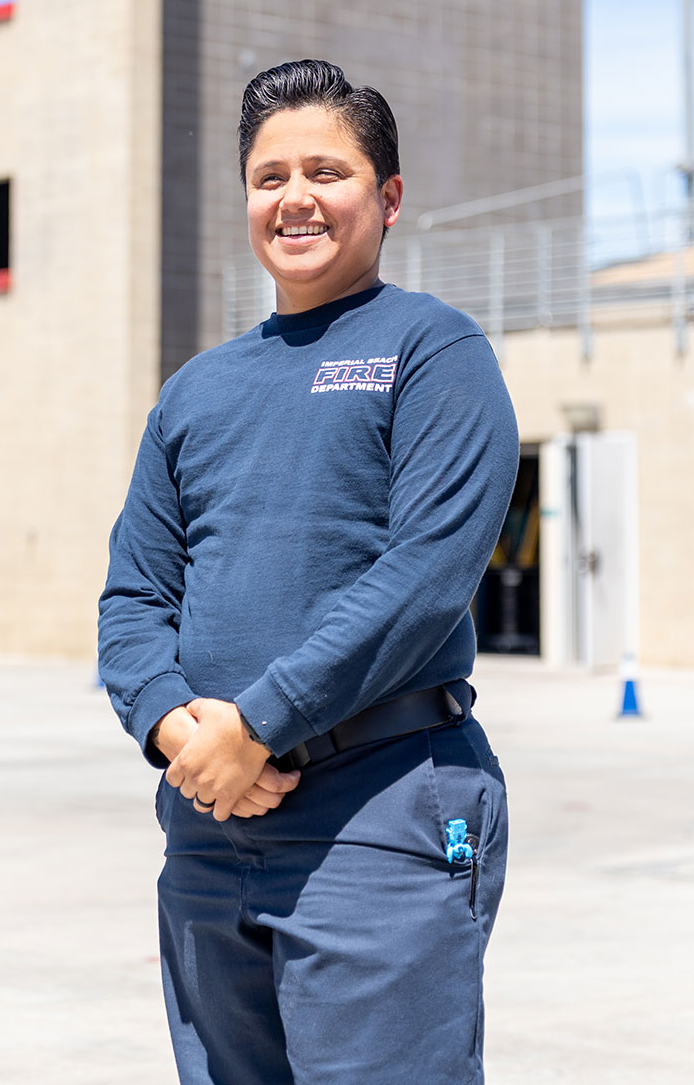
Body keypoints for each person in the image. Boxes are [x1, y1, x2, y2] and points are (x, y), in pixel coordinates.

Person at [98, 59, 519, 1084]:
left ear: (387, 197)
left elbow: (424, 577)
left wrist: (255, 724)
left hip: (379, 814)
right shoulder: (197, 390)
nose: (294, 198)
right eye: (268, 175)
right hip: (206, 826)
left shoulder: (430, 351)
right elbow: (133, 597)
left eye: (325, 171)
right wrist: (176, 727)